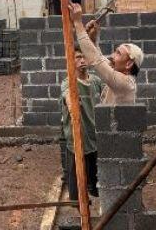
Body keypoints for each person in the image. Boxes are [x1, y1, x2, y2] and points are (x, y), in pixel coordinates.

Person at [67, 2, 143, 105]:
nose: (112, 56)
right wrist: (93, 39)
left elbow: (96, 60)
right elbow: (100, 58)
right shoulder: (118, 75)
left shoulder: (125, 83)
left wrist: (78, 23)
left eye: (118, 53)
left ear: (128, 64)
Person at [61, 43, 104, 200]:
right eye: (78, 57)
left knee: (95, 175)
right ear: (71, 61)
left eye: (84, 57)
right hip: (77, 137)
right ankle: (76, 201)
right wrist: (72, 105)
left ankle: (94, 191)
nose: (82, 60)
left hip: (94, 135)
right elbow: (68, 96)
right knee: (76, 179)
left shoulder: (96, 81)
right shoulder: (69, 83)